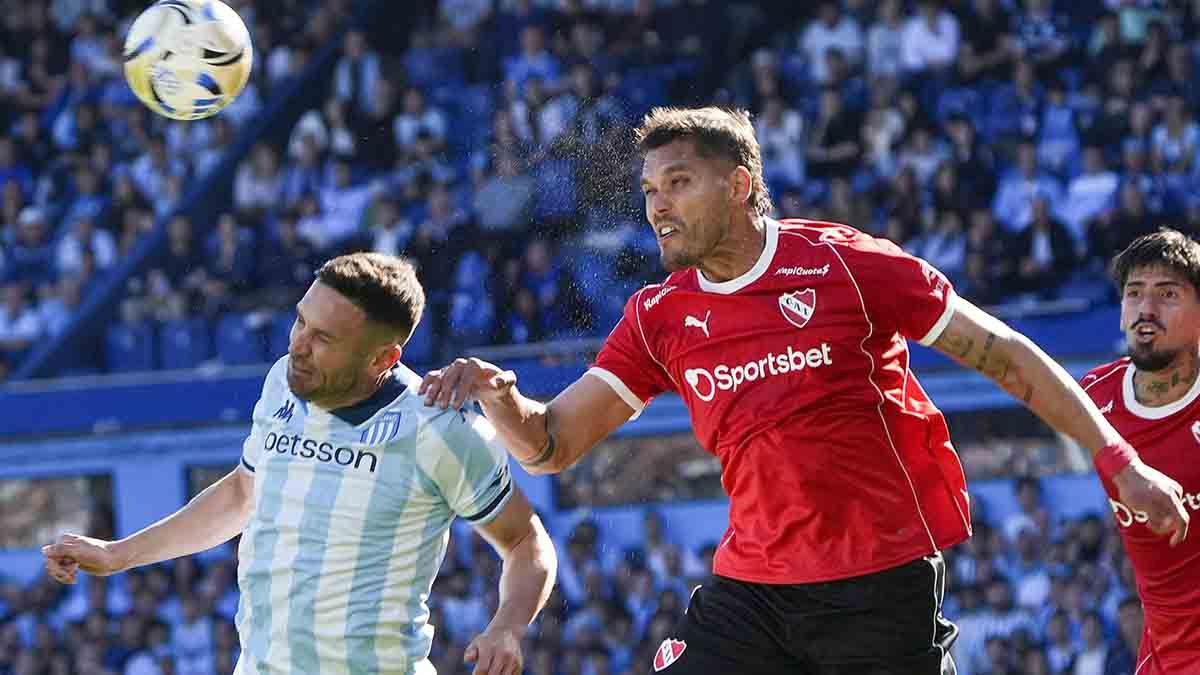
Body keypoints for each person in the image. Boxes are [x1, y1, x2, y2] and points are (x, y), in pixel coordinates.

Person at [419, 107, 1189, 673]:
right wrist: (499, 396)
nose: (656, 204)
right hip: (752, 588)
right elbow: (551, 444)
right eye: (650, 187)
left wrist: (1118, 460)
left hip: (877, 584)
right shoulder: (660, 314)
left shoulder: (848, 264)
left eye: (679, 182)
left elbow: (1010, 357)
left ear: (740, 184)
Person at [43, 253, 557, 675]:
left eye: (323, 339)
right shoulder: (282, 383)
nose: (297, 345)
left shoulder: (441, 429)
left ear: (383, 359)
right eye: (300, 320)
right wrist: (116, 555)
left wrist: (508, 625)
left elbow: (526, 541)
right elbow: (245, 492)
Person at [1079, 229, 1200, 673]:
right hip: (1162, 650)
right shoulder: (1092, 395)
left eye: (1168, 294)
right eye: (1134, 293)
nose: (1146, 309)